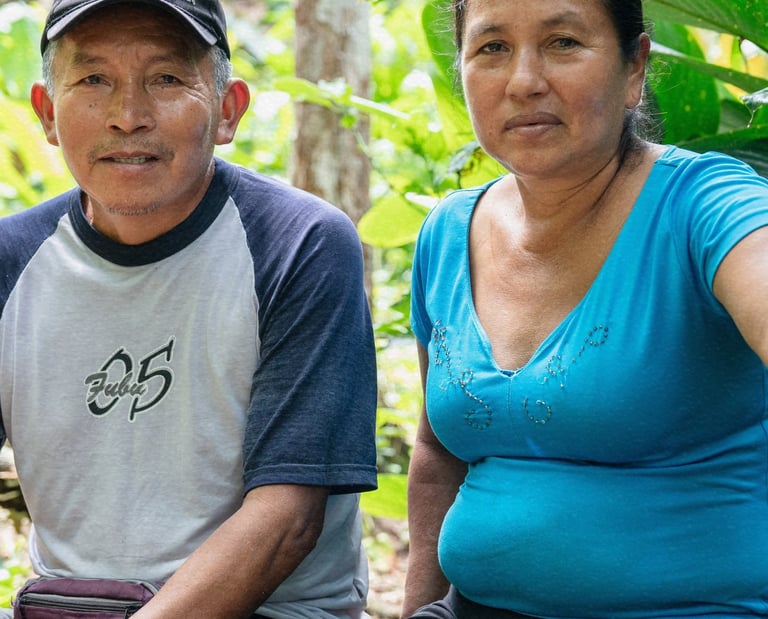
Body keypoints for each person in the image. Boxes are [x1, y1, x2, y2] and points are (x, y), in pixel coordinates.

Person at [0, 0, 378, 617]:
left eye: (167, 79)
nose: (128, 116)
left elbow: (287, 518)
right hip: (71, 604)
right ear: (46, 113)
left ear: (228, 110)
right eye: (93, 79)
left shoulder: (299, 244)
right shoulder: (11, 258)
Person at [402, 0, 768, 617]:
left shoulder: (706, 206)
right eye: (492, 48)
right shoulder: (448, 231)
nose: (523, 82)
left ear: (634, 68)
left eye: (564, 42)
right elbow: (439, 455)